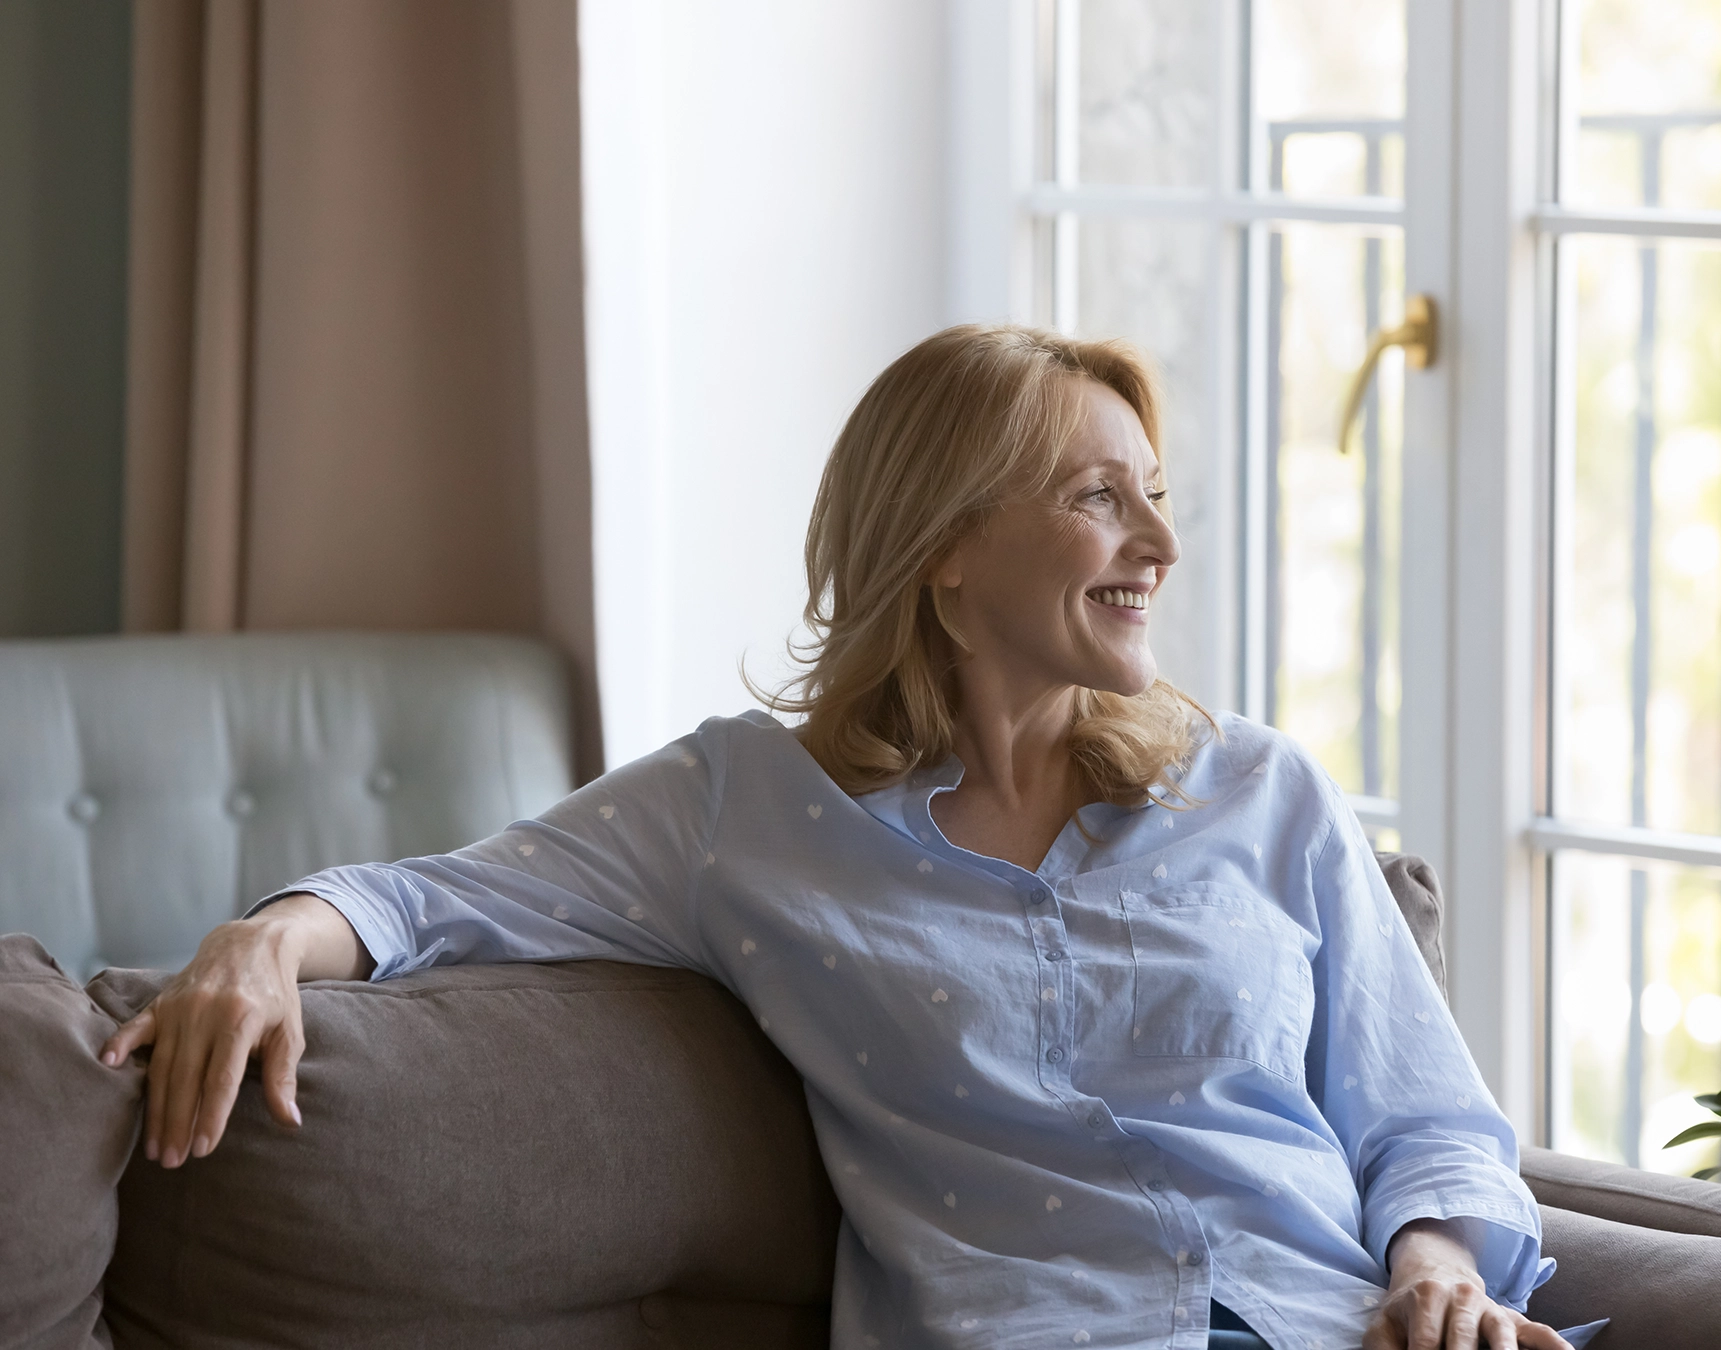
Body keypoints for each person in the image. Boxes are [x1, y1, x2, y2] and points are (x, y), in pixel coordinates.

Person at [100, 324, 1574, 1350]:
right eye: (1098, 498)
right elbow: (442, 897)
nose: (1160, 545)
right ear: (944, 547)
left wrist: (1437, 1269)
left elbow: (1427, 1115)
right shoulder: (748, 810)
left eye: (1158, 498)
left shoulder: (1262, 792)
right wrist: (261, 939)